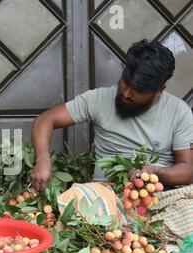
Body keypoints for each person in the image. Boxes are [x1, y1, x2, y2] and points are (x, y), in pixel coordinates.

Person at [31, 39, 193, 239]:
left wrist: (156, 172)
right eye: (125, 82)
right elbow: (46, 120)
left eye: (138, 91)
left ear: (159, 90)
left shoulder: (179, 112)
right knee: (78, 198)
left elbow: (187, 169)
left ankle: (131, 234)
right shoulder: (98, 99)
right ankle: (134, 235)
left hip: (161, 199)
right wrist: (43, 160)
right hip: (109, 197)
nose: (126, 93)